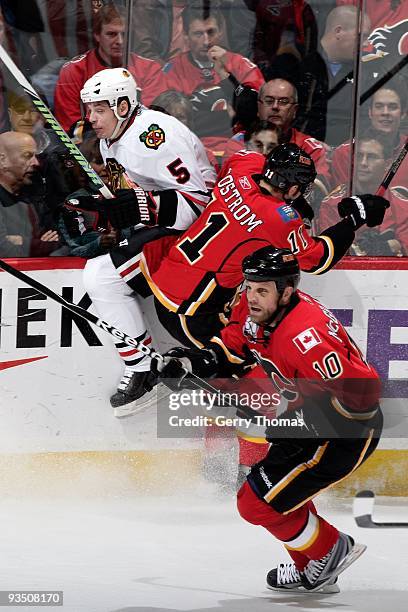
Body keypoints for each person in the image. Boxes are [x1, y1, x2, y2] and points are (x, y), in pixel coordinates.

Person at [154, 245, 383, 593]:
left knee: (255, 504)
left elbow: (361, 398)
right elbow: (235, 345)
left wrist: (290, 425)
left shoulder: (307, 338)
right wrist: (194, 362)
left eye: (262, 290)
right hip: (308, 421)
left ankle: (330, 548)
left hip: (344, 434)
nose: (251, 296)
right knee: (282, 498)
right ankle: (316, 568)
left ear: (287, 290)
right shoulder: (258, 307)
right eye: (248, 286)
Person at [141, 143, 388, 352]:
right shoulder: (279, 218)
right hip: (189, 310)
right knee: (247, 362)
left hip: (165, 279)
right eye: (300, 188)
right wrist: (353, 221)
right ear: (292, 188)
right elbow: (318, 260)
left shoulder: (244, 164)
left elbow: (240, 169)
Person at [76, 67, 216, 417]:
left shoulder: (154, 138)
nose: (91, 118)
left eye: (99, 110)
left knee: (101, 276)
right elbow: (133, 194)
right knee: (101, 271)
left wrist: (136, 205)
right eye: (88, 109)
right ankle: (143, 366)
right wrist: (105, 208)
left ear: (123, 106)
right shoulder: (114, 136)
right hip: (167, 226)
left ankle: (142, 368)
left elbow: (200, 205)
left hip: (202, 234)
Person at [53, 2, 167, 132]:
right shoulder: (73, 72)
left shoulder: (150, 70)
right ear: (97, 35)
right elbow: (71, 130)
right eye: (112, 34)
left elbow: (154, 121)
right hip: (89, 147)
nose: (120, 41)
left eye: (124, 34)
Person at [222, 78, 331, 198]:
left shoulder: (311, 148)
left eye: (283, 102)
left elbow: (319, 191)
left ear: (294, 110)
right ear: (259, 108)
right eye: (269, 101)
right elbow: (235, 187)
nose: (275, 107)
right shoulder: (240, 141)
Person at [320, 130, 408, 256]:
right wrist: (390, 245)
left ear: (388, 164)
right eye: (359, 156)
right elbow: (330, 253)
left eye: (371, 157)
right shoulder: (332, 204)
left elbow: (404, 255)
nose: (363, 163)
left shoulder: (404, 207)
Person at [295, 5, 371, 146]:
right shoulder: (296, 65)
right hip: (300, 149)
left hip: (347, 157)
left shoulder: (366, 73)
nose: (366, 44)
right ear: (338, 32)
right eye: (362, 36)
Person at [331, 81, 407, 187]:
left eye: (392, 107)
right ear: (370, 112)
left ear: (403, 114)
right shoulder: (346, 153)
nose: (385, 113)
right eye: (379, 106)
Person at [0, 131, 59, 257]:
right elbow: (3, 250)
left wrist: (22, 241)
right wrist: (39, 244)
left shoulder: (32, 198)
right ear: (3, 160)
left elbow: (56, 239)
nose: (36, 163)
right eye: (27, 156)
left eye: (35, 156)